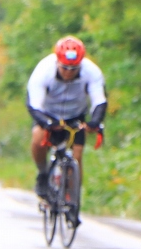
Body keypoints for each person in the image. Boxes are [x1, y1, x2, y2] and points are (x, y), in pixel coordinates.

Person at [26, 36, 107, 205]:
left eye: (74, 68)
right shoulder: (43, 71)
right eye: (64, 68)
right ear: (57, 62)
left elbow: (99, 100)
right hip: (48, 114)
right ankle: (42, 174)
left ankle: (72, 200)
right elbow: (34, 105)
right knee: (38, 137)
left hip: (75, 115)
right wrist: (46, 123)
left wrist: (95, 122)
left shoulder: (91, 72)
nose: (69, 72)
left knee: (76, 157)